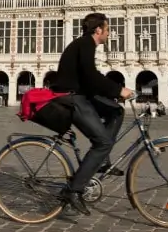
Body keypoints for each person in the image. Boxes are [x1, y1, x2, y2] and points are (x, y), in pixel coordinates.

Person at [50, 12, 134, 216]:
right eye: (107, 29)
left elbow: (90, 78)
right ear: (98, 30)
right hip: (71, 97)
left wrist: (113, 96)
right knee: (103, 142)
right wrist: (118, 90)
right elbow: (90, 77)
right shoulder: (85, 44)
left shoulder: (85, 44)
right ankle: (72, 190)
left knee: (116, 111)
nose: (109, 33)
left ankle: (102, 161)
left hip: (80, 94)